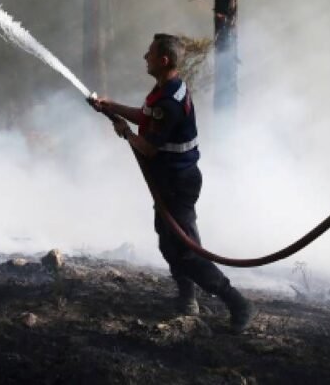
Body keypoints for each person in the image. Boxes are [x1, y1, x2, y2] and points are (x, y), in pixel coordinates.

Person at [92, 33, 254, 331]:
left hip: (179, 183)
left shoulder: (169, 100)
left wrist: (125, 132)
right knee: (169, 244)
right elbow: (145, 116)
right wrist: (111, 107)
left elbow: (149, 147)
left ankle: (238, 303)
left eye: (149, 52)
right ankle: (187, 298)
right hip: (170, 180)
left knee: (188, 252)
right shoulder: (167, 88)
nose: (145, 56)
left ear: (163, 60)